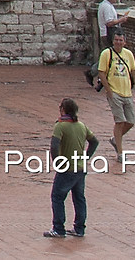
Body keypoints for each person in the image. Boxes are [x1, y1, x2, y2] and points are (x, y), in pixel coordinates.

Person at [45, 97, 96, 238]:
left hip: (66, 169)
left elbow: (54, 146)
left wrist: (58, 162)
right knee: (79, 198)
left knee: (57, 197)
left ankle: (58, 228)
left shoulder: (60, 126)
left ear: (63, 110)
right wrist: (86, 157)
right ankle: (79, 228)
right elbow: (94, 141)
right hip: (80, 168)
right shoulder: (81, 126)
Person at [94, 30, 135, 153]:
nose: (118, 42)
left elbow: (134, 72)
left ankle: (115, 139)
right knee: (119, 121)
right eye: (116, 40)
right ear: (113, 41)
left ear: (124, 42)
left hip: (127, 92)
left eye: (121, 40)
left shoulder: (128, 54)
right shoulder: (106, 54)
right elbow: (101, 72)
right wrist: (109, 90)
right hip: (114, 92)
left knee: (130, 122)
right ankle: (120, 152)